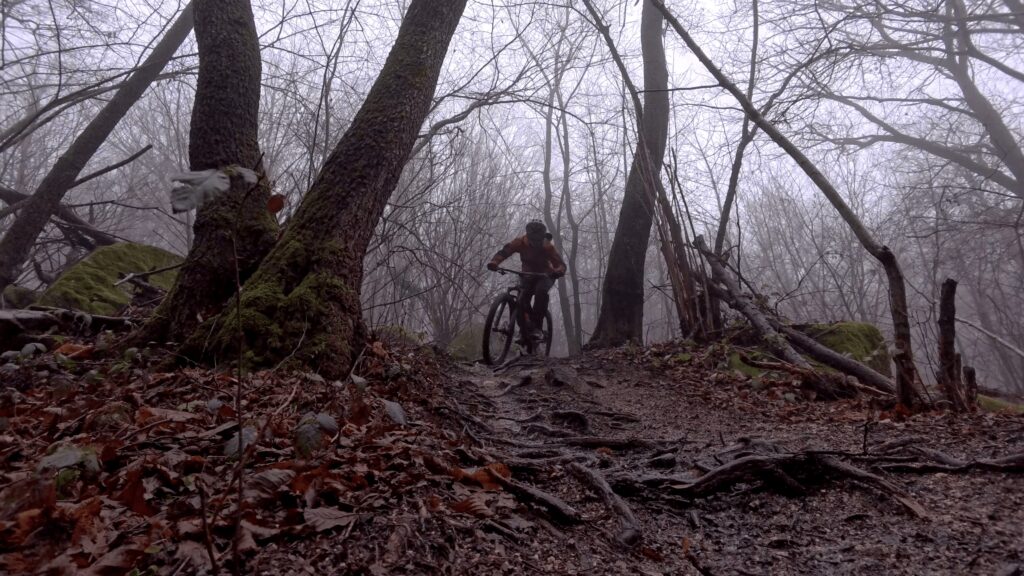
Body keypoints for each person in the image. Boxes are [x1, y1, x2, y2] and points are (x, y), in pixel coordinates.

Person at [487, 220, 566, 343]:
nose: (534, 244)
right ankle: (525, 329)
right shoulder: (519, 242)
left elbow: (560, 264)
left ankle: (537, 328)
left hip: (545, 275)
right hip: (527, 275)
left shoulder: (547, 246)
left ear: (542, 238)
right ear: (528, 236)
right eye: (532, 241)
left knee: (541, 292)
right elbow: (505, 251)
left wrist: (558, 271)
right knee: (521, 299)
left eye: (537, 241)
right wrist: (494, 262)